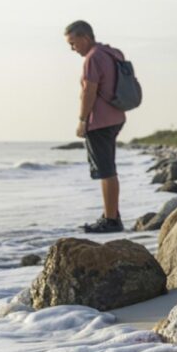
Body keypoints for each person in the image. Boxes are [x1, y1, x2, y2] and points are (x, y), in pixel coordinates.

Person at [65, 20, 127, 233]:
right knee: (108, 168)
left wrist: (82, 120)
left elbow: (89, 92)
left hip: (100, 121)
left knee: (105, 170)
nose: (72, 49)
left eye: (73, 43)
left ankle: (111, 220)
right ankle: (111, 214)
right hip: (116, 115)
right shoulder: (112, 53)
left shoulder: (92, 58)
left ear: (85, 38)